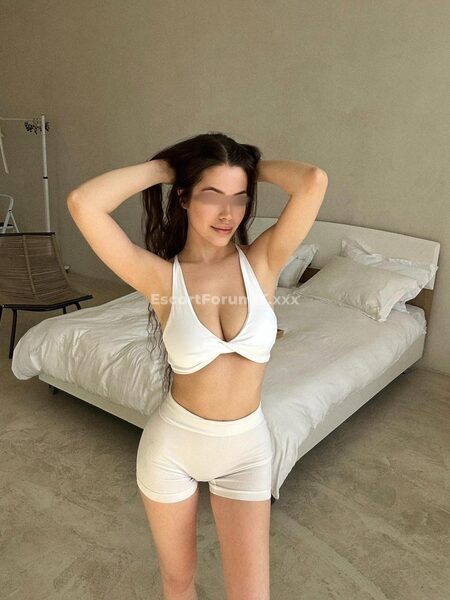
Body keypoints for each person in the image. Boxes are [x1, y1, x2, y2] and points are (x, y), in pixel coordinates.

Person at [67, 132, 328, 599]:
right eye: (212, 196)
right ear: (184, 198)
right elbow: (84, 203)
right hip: (173, 450)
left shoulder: (262, 262)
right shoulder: (161, 279)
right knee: (178, 581)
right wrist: (169, 168)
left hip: (247, 451)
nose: (228, 214)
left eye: (239, 198)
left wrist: (244, 164)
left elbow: (313, 181)